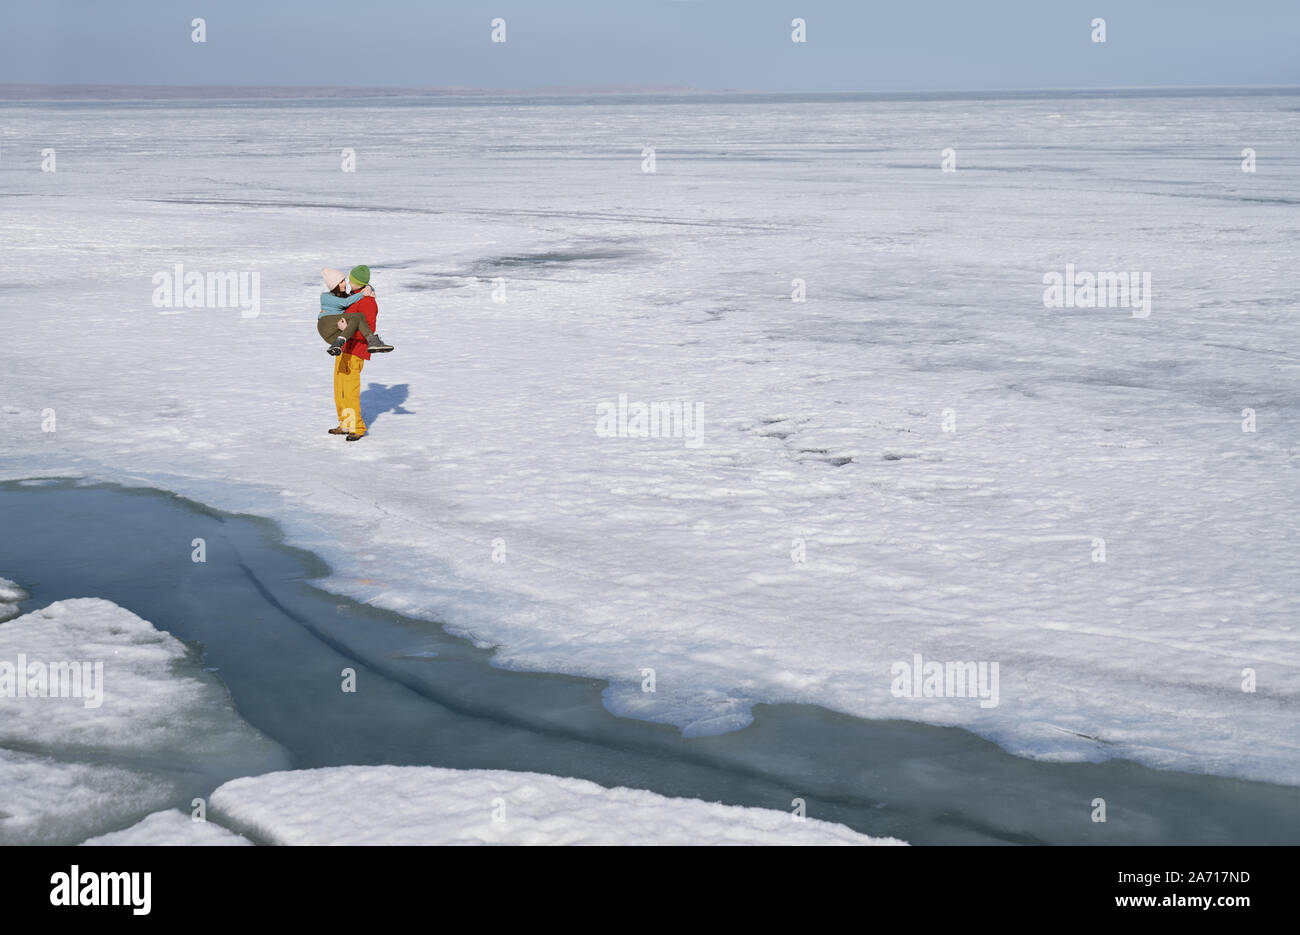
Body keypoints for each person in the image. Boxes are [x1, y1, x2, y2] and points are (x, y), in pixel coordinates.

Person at [329, 265, 382, 441]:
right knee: (340, 389)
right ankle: (345, 423)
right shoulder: (353, 297)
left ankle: (357, 427)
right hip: (343, 349)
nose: (348, 282)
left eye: (350, 279)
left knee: (350, 390)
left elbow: (369, 329)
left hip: (356, 351)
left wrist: (346, 330)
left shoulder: (368, 302)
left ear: (356, 281)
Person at [317, 267, 393, 355]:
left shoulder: (364, 300)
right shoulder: (326, 296)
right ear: (334, 285)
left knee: (357, 318)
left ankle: (338, 344)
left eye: (346, 280)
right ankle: (372, 340)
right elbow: (346, 302)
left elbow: (369, 327)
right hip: (328, 326)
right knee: (359, 316)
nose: (346, 283)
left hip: (351, 348)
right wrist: (364, 293)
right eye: (341, 282)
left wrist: (369, 289)